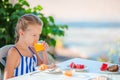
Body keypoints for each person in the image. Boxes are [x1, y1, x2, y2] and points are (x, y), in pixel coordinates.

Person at [4, 14, 49, 79]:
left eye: (38, 35)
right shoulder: (14, 52)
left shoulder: (32, 49)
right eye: (34, 35)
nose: (37, 39)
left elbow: (43, 68)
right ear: (22, 33)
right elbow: (7, 78)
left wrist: (44, 52)